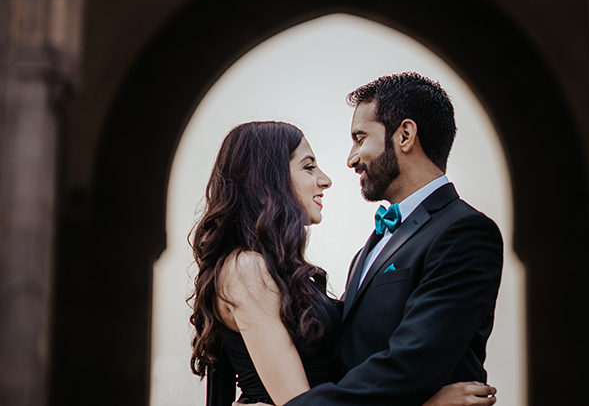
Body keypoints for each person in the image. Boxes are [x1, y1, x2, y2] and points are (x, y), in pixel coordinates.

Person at [189, 121, 496, 405]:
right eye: (309, 167)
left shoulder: (280, 271)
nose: (325, 179)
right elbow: (299, 405)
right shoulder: (247, 270)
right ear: (267, 181)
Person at [282, 72, 504, 405]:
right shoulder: (369, 248)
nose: (351, 158)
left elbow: (412, 363)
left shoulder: (465, 233)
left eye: (360, 138)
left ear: (405, 135)